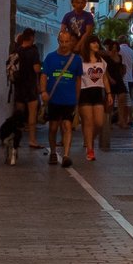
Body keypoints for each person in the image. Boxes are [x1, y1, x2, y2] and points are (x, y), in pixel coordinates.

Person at [40, 28, 82, 168]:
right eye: (61, 41)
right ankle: (53, 152)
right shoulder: (50, 58)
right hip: (54, 98)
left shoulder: (76, 60)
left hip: (69, 98)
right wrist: (43, 91)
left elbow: (78, 80)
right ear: (58, 41)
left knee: (67, 125)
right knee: (53, 127)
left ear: (71, 42)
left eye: (66, 42)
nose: (64, 44)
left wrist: (77, 98)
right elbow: (44, 75)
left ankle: (66, 155)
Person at [77, 34, 111, 163]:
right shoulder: (81, 61)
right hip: (85, 92)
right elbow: (78, 79)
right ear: (88, 45)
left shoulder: (101, 61)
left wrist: (108, 93)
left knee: (99, 122)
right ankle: (90, 150)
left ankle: (90, 139)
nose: (96, 45)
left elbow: (105, 78)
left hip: (98, 92)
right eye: (93, 43)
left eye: (97, 42)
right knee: (88, 121)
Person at [12, 29, 43, 149]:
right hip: (30, 86)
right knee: (32, 114)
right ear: (31, 38)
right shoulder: (33, 51)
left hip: (19, 85)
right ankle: (32, 140)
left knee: (19, 114)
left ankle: (16, 139)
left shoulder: (17, 50)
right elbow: (36, 69)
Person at [116, 36, 133, 129]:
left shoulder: (119, 50)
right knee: (129, 101)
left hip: (121, 78)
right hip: (130, 78)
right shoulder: (132, 52)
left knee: (120, 102)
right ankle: (129, 119)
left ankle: (121, 120)